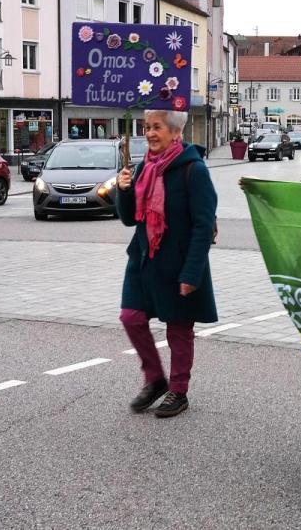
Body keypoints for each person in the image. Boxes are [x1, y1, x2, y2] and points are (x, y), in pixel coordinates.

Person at [115, 109, 218, 418]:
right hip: (143, 259)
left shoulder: (194, 170)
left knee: (179, 328)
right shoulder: (143, 167)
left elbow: (203, 225)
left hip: (178, 262)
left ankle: (178, 390)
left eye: (156, 127)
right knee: (131, 317)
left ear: (176, 132)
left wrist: (192, 272)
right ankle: (155, 379)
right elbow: (129, 218)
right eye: (146, 127)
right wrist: (123, 190)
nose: (149, 133)